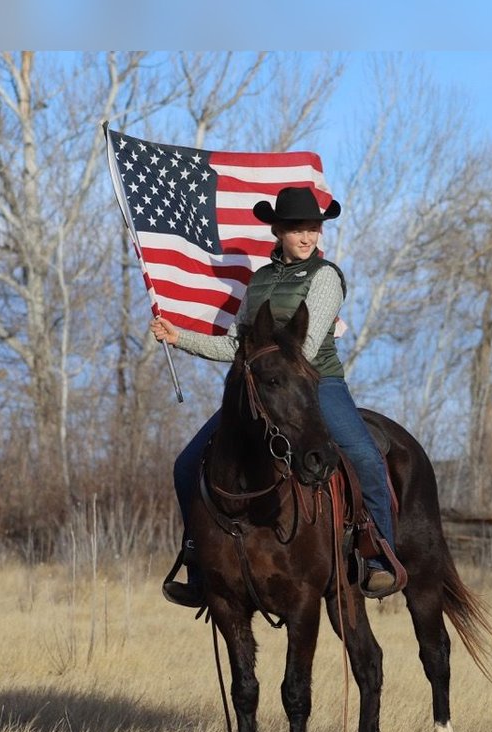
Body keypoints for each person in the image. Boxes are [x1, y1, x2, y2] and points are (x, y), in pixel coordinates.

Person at [151, 185, 399, 607]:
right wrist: (180, 338)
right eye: (298, 229)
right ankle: (197, 562)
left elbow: (302, 348)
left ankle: (380, 556)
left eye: (314, 229)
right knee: (187, 463)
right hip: (262, 390)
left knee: (364, 456)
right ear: (279, 231)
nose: (308, 238)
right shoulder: (260, 280)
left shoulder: (326, 277)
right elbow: (236, 346)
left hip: (318, 384)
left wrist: (268, 369)